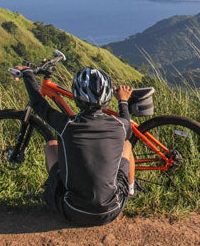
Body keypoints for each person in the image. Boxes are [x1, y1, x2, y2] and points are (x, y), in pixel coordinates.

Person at [14, 65, 136, 226]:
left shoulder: (66, 125)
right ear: (107, 97)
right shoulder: (120, 126)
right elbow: (127, 124)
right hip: (111, 210)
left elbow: (38, 103)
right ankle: (131, 189)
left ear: (77, 97)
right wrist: (123, 100)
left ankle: (54, 188)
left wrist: (28, 73)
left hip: (72, 211)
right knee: (126, 145)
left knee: (51, 145)